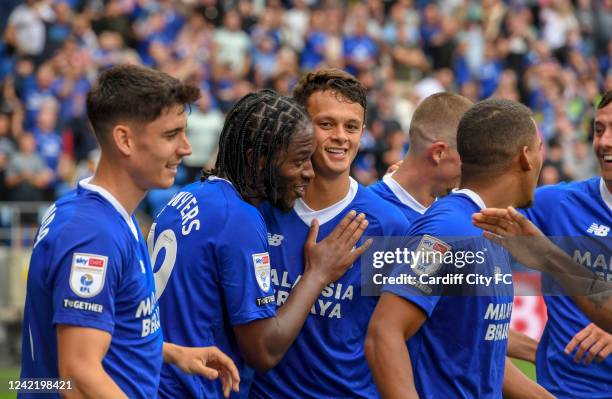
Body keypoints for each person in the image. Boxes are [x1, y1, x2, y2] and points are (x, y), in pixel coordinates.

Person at [19, 64, 239, 399]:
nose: (186, 148)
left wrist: (172, 353)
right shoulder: (93, 236)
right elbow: (78, 376)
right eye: (171, 135)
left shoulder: (100, 214)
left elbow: (108, 330)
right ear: (125, 140)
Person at [152, 89, 371, 398]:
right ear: (256, 159)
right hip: (190, 389)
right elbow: (263, 352)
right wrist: (317, 274)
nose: (308, 172)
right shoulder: (240, 219)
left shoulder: (190, 195)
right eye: (297, 161)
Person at [365, 99, 552, 398]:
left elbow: (475, 352)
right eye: (541, 146)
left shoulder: (486, 227)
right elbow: (383, 333)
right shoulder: (449, 231)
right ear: (525, 157)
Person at [249, 69, 410, 398]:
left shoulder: (387, 225)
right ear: (299, 128)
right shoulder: (259, 212)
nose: (341, 136)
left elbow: (399, 335)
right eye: (326, 124)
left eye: (351, 126)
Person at [473, 90, 612, 398]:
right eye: (599, 129)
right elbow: (473, 204)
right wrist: (415, 187)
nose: (604, 142)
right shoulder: (557, 203)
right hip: (564, 389)